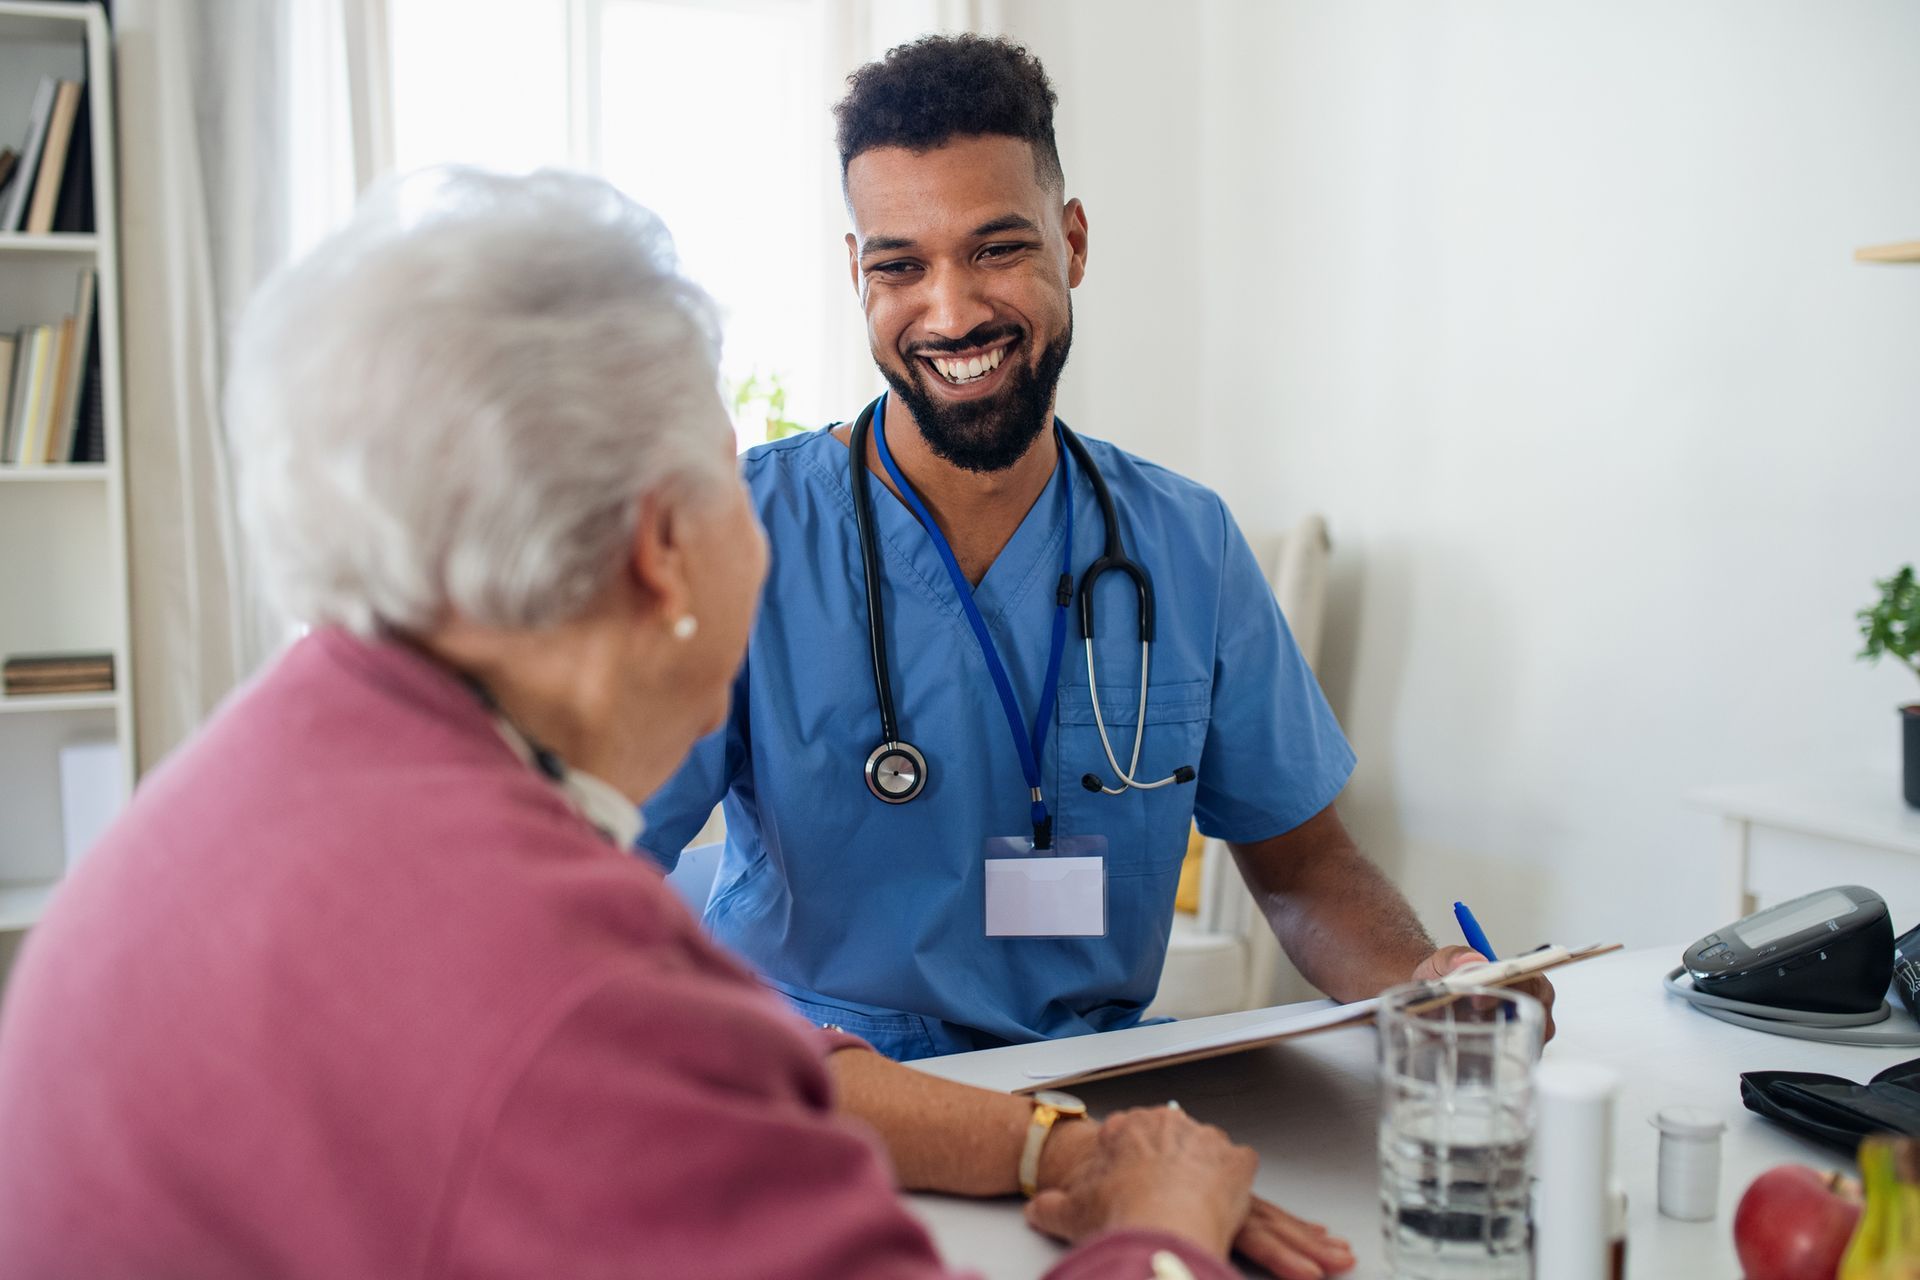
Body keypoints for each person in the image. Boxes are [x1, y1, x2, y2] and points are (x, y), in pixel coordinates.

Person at [0, 169, 1286, 1280]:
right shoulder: (574, 993)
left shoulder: (263, 765)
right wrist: (1164, 1227)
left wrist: (1038, 1140)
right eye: (731, 478)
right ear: (664, 547)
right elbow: (611, 1046)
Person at [640, 30, 1555, 1064]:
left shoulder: (1185, 544)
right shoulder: (739, 534)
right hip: (819, 1096)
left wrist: (1426, 981)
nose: (952, 311)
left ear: (1072, 241)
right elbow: (600, 864)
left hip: (1093, 1087)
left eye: (998, 249)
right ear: (858, 276)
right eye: (901, 265)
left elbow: (1303, 870)